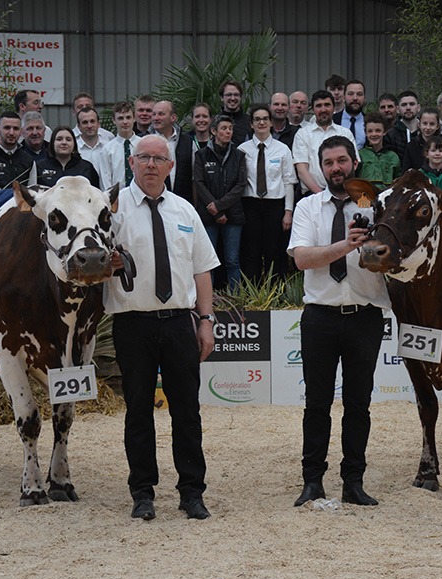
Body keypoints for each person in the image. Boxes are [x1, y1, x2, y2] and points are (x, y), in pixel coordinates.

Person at [103, 135, 219, 521]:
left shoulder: (186, 211)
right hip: (132, 324)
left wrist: (206, 320)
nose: (151, 164)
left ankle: (191, 492)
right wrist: (109, 265)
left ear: (171, 166)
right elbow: (89, 264)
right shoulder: (112, 212)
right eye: (144, 158)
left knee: (187, 411)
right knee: (138, 411)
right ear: (132, 163)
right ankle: (142, 493)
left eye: (159, 158)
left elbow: (202, 269)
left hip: (178, 324)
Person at [287, 135, 390, 508]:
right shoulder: (307, 208)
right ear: (320, 167)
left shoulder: (379, 206)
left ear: (355, 162)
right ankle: (312, 481)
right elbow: (301, 258)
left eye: (342, 160)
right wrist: (346, 246)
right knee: (316, 404)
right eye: (329, 163)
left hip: (365, 317)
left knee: (358, 404)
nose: (336, 168)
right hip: (320, 317)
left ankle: (354, 482)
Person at [239, 105, 297, 283]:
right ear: (251, 124)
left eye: (265, 119)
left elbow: (289, 181)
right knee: (251, 250)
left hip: (275, 206)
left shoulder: (282, 149)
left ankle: (276, 292)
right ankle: (253, 292)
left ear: (271, 123)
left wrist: (288, 211)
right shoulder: (242, 150)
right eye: (257, 119)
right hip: (250, 205)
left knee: (275, 250)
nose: (261, 122)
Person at [192, 115, 247, 291]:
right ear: (214, 131)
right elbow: (199, 183)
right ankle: (210, 299)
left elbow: (240, 185)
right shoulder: (201, 155)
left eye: (230, 129)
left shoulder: (239, 155)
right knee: (208, 260)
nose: (228, 132)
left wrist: (220, 206)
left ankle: (236, 298)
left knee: (232, 260)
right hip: (208, 214)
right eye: (223, 128)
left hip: (233, 214)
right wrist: (214, 208)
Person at [292, 90, 356, 195]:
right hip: (312, 195)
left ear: (333, 107)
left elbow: (353, 165)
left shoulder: (345, 133)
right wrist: (321, 195)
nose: (323, 109)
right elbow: (302, 170)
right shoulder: (302, 134)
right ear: (313, 109)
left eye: (327, 105)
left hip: (342, 193)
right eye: (318, 106)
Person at [36, 126, 101, 188]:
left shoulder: (86, 168)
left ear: (74, 144)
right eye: (59, 139)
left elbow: (96, 194)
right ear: (53, 143)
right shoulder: (39, 167)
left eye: (68, 139)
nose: (64, 142)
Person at [96, 101, 140, 192]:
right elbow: (105, 180)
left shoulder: (143, 145)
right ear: (113, 120)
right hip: (117, 200)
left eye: (128, 117)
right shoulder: (107, 150)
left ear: (134, 118)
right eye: (120, 118)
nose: (125, 122)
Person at [357, 113, 401, 191]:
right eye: (370, 131)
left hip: (387, 197)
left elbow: (398, 180)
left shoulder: (392, 156)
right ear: (365, 133)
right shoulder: (360, 154)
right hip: (365, 196)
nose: (374, 134)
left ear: (384, 132)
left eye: (378, 130)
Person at [401, 108, 442, 172]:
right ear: (419, 125)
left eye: (432, 124)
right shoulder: (412, 145)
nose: (428, 128)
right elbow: (406, 171)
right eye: (425, 123)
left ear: (438, 126)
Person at [386, 90, 420, 158]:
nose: (408, 108)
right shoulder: (390, 135)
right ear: (398, 109)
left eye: (412, 104)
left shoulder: (427, 131)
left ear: (418, 107)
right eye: (404, 105)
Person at [333, 79, 366, 147]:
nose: (355, 98)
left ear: (364, 98)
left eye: (359, 94)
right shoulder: (333, 120)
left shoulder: (370, 121)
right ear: (344, 97)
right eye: (350, 94)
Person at [76, 106, 107, 172]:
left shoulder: (108, 147)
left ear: (98, 124)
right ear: (78, 127)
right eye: (85, 122)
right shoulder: (74, 149)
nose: (89, 126)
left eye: (92, 121)